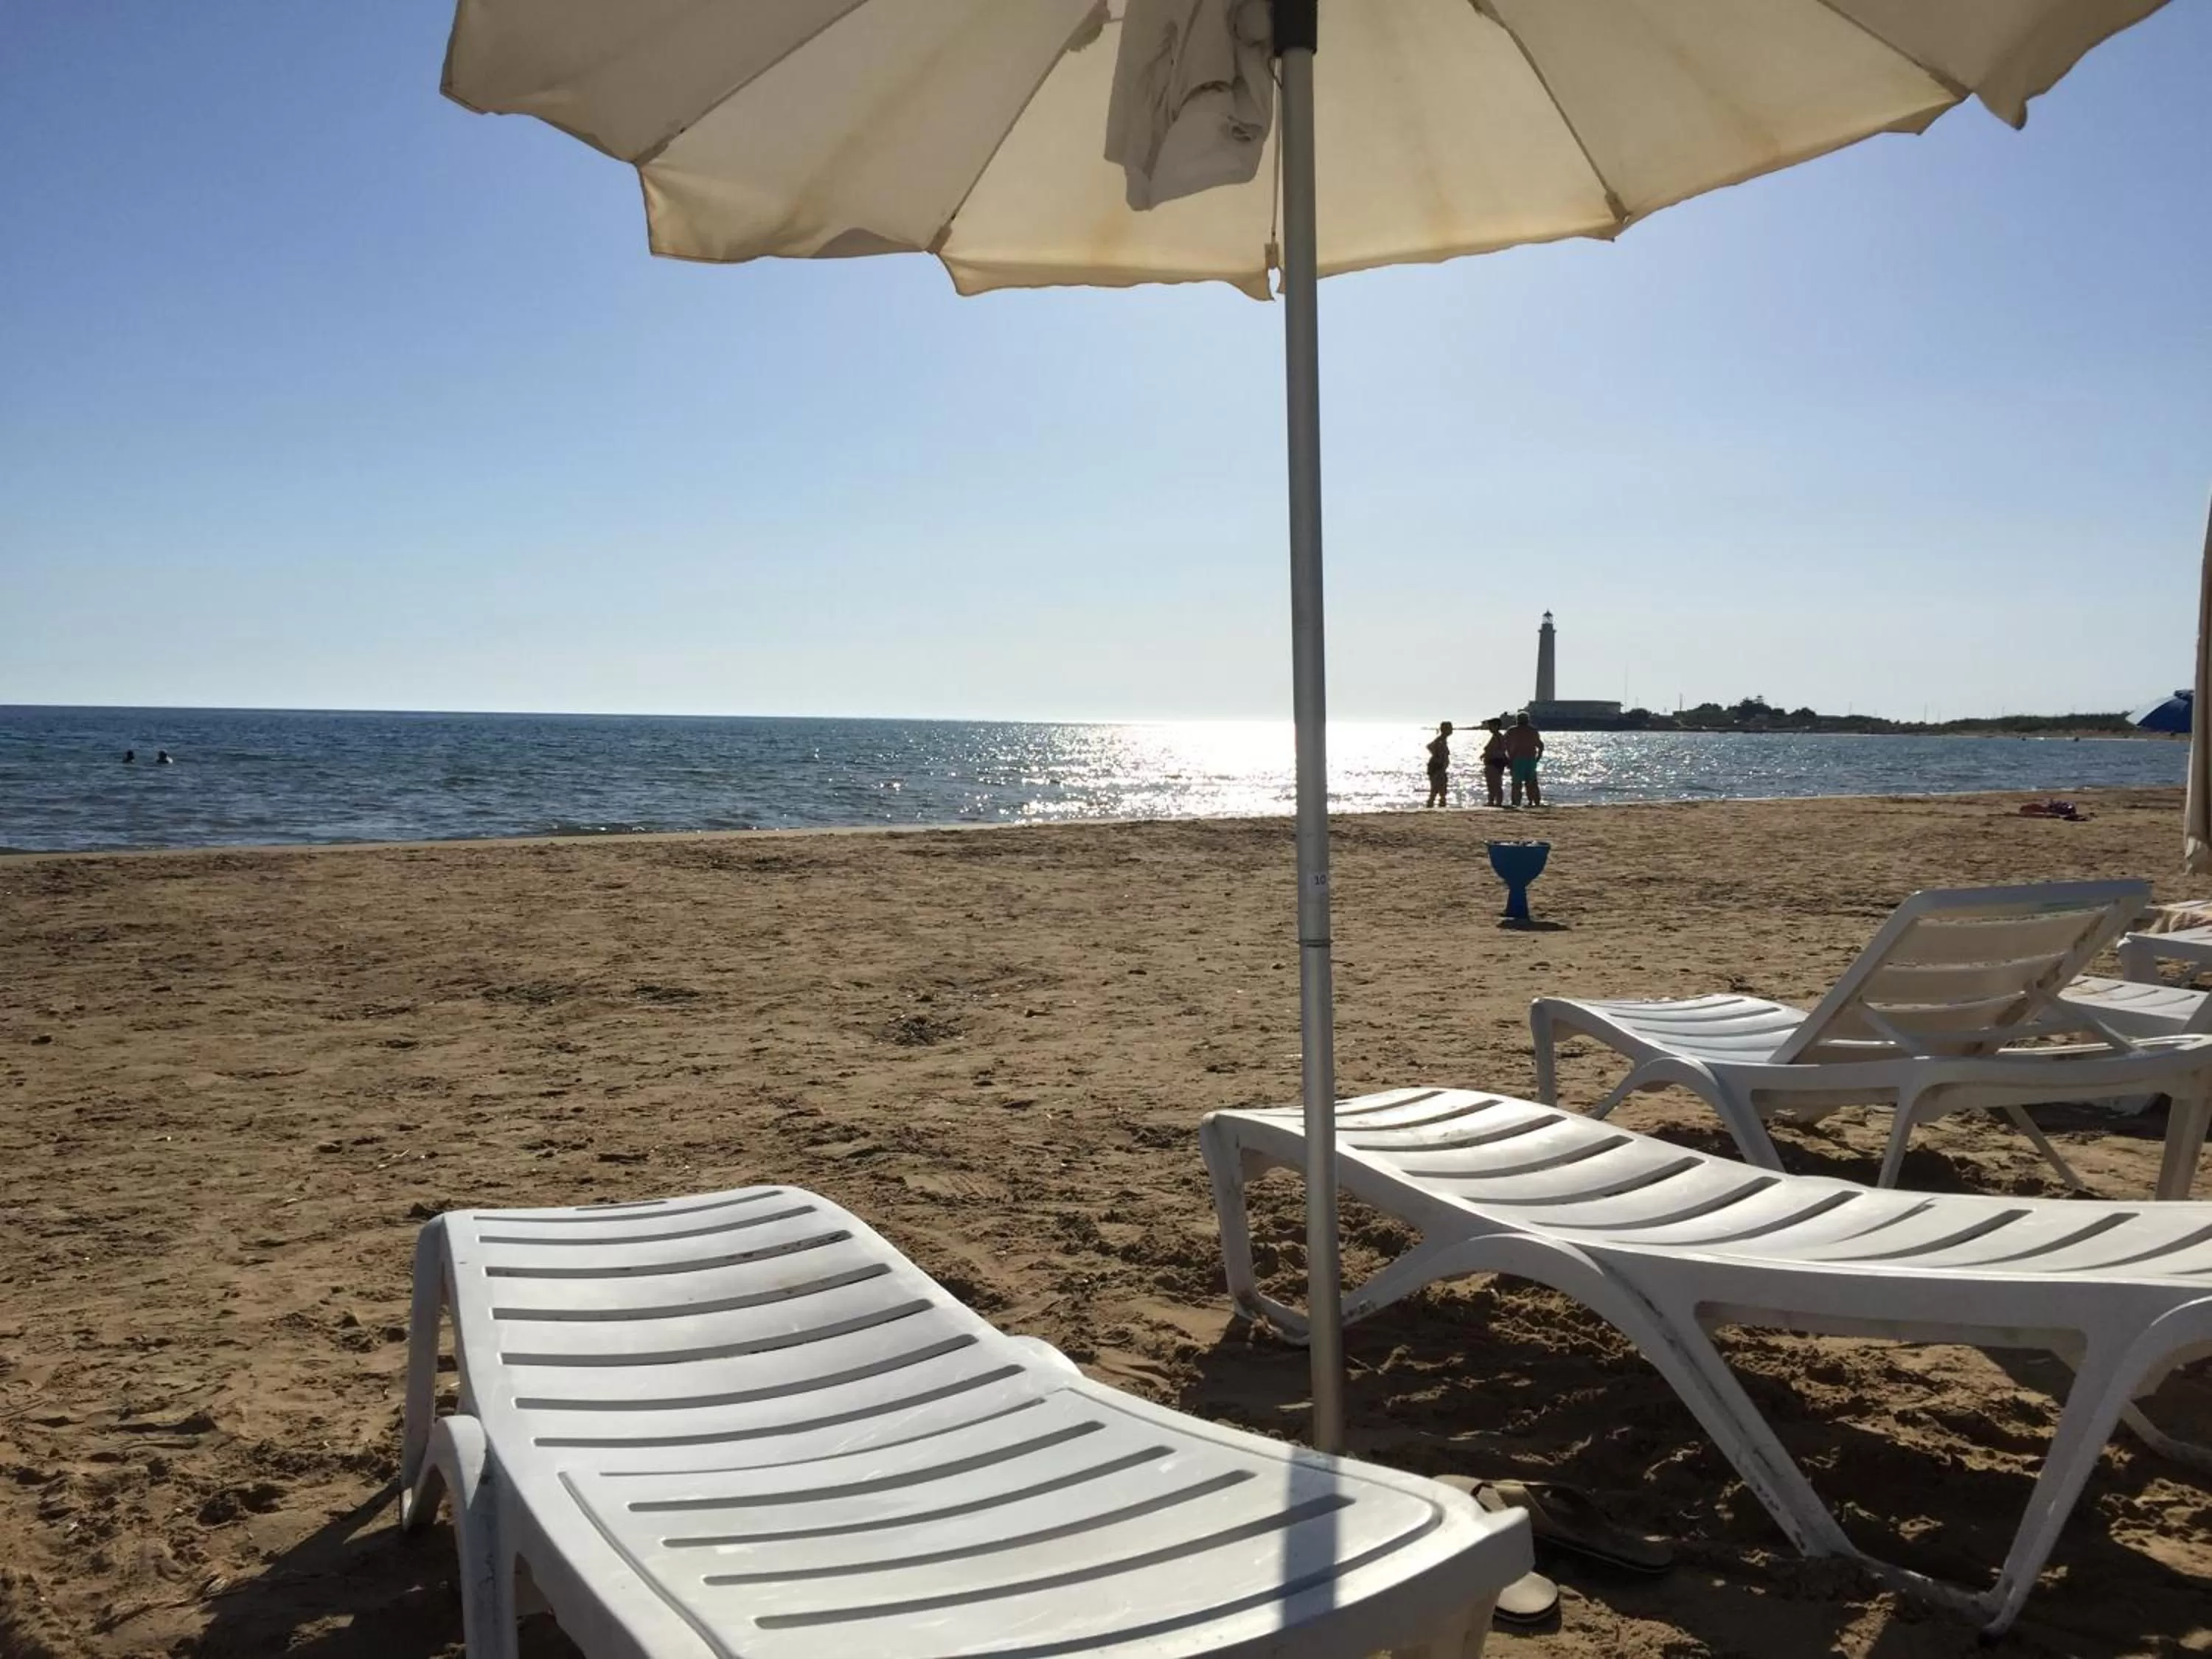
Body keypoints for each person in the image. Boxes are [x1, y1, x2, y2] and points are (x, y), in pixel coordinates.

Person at [1504, 712, 1545, 807]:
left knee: (1517, 784)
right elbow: (1540, 746)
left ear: (1517, 720)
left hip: (1517, 759)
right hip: (1530, 759)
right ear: (1528, 720)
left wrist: (1509, 759)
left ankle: (1516, 803)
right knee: (1532, 783)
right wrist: (1538, 758)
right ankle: (1534, 802)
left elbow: (1506, 745)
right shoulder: (1533, 731)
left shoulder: (1512, 731)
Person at [1424, 721, 1453, 807]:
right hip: (1437, 768)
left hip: (1440, 768)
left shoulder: (1443, 740)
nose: (1451, 731)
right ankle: (1433, 806)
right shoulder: (1440, 740)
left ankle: (1439, 806)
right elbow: (1430, 746)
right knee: (1436, 789)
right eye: (1450, 729)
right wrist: (1437, 756)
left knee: (1440, 790)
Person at [1481, 719, 1508, 807]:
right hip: (1494, 762)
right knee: (1492, 783)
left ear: (1496, 726)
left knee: (1495, 783)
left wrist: (1487, 753)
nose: (1489, 728)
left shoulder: (1498, 737)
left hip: (1494, 763)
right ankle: (1492, 801)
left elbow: (1495, 750)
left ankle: (1497, 802)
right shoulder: (1498, 737)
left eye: (1491, 726)